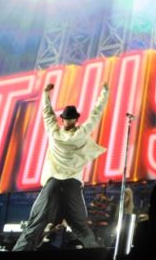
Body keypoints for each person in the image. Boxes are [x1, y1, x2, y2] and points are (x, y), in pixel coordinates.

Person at [13, 82, 109, 251]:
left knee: (36, 223)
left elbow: (47, 114)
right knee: (80, 226)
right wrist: (104, 92)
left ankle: (20, 251)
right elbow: (96, 114)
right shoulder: (82, 132)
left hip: (53, 183)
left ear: (62, 119)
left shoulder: (54, 132)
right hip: (72, 184)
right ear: (76, 119)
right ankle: (96, 253)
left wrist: (45, 94)